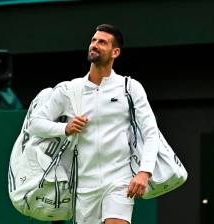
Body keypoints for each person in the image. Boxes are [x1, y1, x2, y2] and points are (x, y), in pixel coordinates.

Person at [29, 24, 159, 224]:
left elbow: (151, 132)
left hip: (119, 181)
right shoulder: (69, 89)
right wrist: (65, 128)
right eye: (93, 40)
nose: (95, 45)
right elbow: (35, 124)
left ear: (115, 52)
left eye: (102, 42)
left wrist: (144, 171)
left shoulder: (130, 88)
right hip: (83, 187)